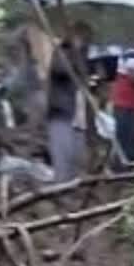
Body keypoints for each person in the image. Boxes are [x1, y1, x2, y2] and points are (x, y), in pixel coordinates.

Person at [46, 24, 91, 182]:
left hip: (78, 116)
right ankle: (60, 189)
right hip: (61, 111)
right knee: (62, 157)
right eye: (81, 36)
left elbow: (83, 79)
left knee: (76, 157)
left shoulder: (83, 56)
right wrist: (74, 52)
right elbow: (60, 70)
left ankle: (73, 190)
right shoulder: (61, 52)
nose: (84, 41)